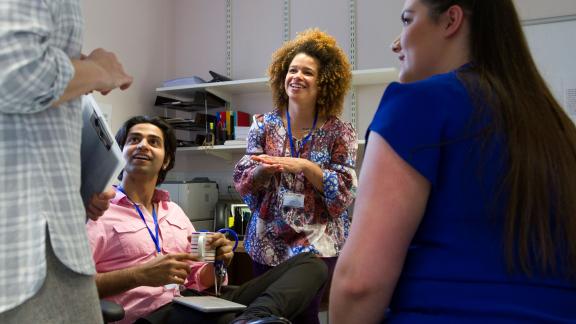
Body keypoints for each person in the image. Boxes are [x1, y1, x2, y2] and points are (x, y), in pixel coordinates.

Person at [330, 0, 576, 323]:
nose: (396, 43)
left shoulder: (417, 107)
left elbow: (359, 285)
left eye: (407, 20)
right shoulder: (560, 130)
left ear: (451, 21)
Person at [86, 115, 328, 324]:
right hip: (147, 317)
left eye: (154, 142)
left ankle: (251, 318)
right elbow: (75, 286)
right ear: (120, 152)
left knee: (311, 264)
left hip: (190, 304)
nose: (143, 146)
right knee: (219, 318)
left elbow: (198, 278)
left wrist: (217, 261)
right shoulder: (97, 210)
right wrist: (140, 275)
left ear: (166, 160)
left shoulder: (175, 212)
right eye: (134, 139)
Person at [0, 0, 133, 322]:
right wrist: (102, 70)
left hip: (46, 228)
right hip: (28, 248)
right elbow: (15, 75)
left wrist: (78, 188)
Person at [233, 28, 357, 323]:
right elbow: (242, 179)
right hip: (268, 244)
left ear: (325, 81)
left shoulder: (340, 131)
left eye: (308, 72)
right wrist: (264, 169)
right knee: (266, 314)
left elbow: (345, 193)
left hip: (317, 244)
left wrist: (304, 167)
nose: (297, 76)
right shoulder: (263, 126)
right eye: (292, 69)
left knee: (304, 315)